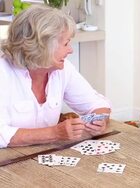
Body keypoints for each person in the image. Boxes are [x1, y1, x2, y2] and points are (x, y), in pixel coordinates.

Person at [0, 5, 111, 148]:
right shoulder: (3, 72)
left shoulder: (62, 69)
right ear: (43, 47)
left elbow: (98, 105)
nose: (70, 50)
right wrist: (54, 133)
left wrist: (99, 120)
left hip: (45, 158)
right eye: (66, 44)